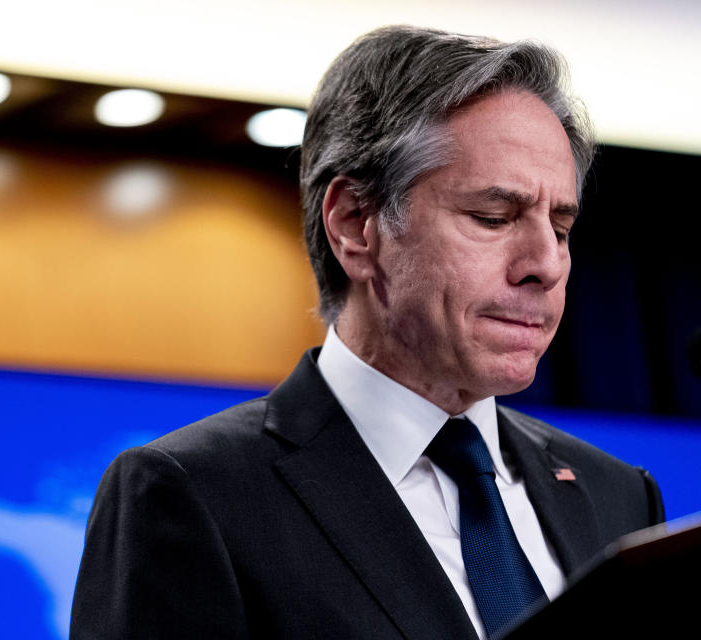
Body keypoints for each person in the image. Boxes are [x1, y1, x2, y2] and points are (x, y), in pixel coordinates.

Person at [70, 25, 664, 640]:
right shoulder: (192, 495)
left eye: (561, 229)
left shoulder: (618, 497)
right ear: (355, 223)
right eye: (493, 217)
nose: (545, 264)